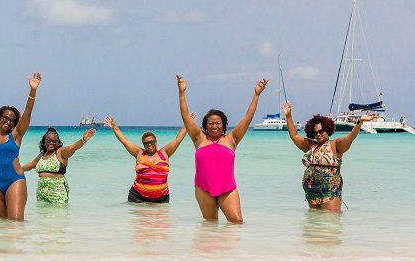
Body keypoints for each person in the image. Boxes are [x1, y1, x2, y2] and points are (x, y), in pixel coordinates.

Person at [177, 74, 268, 223]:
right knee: (210, 226)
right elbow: (185, 116)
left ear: (224, 125)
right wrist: (181, 93)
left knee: (236, 222)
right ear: (205, 125)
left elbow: (248, 118)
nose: (214, 126)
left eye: (218, 123)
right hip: (203, 188)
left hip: (228, 188)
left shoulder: (231, 139)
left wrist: (256, 94)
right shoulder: (199, 138)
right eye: (211, 123)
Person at [283, 103, 375, 212]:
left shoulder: (336, 145)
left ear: (327, 129)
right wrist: (288, 116)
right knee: (314, 222)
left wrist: (359, 123)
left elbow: (350, 138)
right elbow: (294, 135)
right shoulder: (311, 146)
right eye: (315, 132)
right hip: (311, 191)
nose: (318, 134)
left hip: (330, 191)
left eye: (321, 131)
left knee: (331, 223)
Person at [0, 72, 41, 221]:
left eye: (13, 120)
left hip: (15, 180)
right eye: (6, 118)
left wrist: (33, 91)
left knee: (16, 224)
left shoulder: (16, 135)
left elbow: (27, 114)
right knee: (1, 226)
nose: (9, 122)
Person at [103, 113, 193, 204]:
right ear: (143, 145)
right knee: (136, 218)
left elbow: (178, 139)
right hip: (137, 197)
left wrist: (187, 123)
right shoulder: (139, 153)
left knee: (162, 218)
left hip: (161, 199)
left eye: (152, 142)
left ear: (156, 141)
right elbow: (124, 141)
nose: (149, 144)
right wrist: (114, 127)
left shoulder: (164, 153)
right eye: (146, 143)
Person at [20, 127, 95, 204]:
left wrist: (83, 140)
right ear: (44, 142)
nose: (51, 143)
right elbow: (31, 165)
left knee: (58, 215)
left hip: (57, 193)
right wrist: (18, 170)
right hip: (41, 194)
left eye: (54, 141)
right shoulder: (42, 156)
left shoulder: (60, 152)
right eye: (48, 141)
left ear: (57, 142)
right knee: (42, 215)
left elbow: (73, 148)